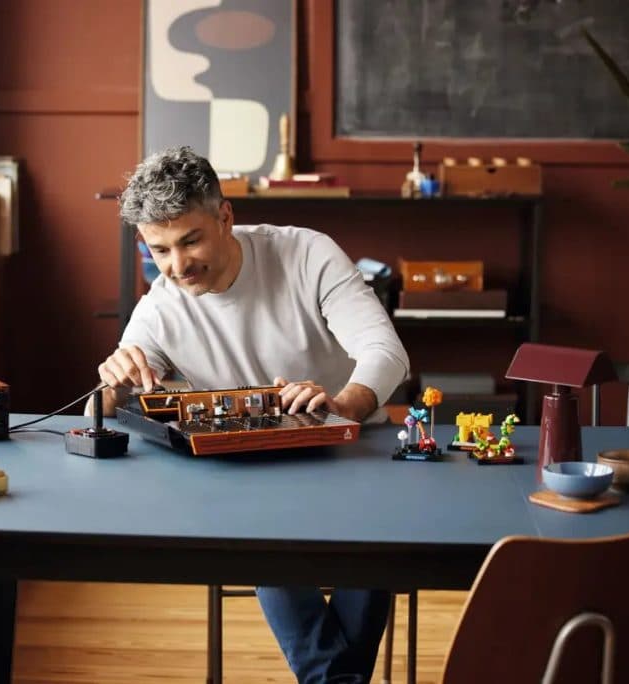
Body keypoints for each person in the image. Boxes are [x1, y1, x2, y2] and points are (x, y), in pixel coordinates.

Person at [95, 146, 410, 684]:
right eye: (159, 251)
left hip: (352, 453)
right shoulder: (162, 304)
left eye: (190, 241)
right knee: (255, 527)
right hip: (251, 478)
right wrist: (111, 386)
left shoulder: (307, 254)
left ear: (225, 217)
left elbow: (386, 352)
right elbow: (101, 407)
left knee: (379, 534)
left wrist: (342, 405)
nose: (177, 267)